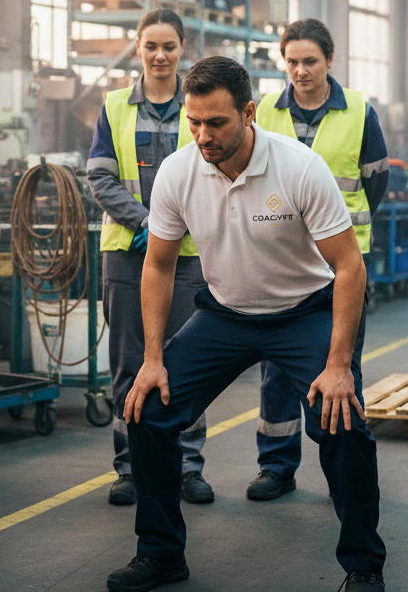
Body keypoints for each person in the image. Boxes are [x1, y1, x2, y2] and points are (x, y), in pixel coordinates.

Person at [106, 56, 386, 592]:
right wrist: (153, 360)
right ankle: (162, 554)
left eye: (217, 123)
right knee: (147, 412)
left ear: (250, 113)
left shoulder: (299, 168)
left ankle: (363, 564)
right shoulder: (178, 171)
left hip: (303, 313)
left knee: (343, 421)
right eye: (194, 122)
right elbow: (159, 264)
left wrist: (338, 365)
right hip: (225, 314)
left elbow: (350, 267)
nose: (203, 136)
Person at [251, 18, 388, 500]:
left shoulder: (359, 113)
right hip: (282, 259)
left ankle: (345, 469)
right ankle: (276, 465)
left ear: (330, 60)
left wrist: (341, 234)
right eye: (292, 62)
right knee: (276, 368)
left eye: (310, 61)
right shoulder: (264, 109)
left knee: (342, 364)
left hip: (339, 265)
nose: (300, 70)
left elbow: (375, 183)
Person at [87, 8, 213, 507]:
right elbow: (99, 175)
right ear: (137, 47)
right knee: (129, 364)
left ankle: (186, 466)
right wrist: (144, 222)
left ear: (183, 49)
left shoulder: (197, 105)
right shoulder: (114, 106)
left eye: (169, 46)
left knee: (188, 361)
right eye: (151, 46)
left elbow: (212, 173)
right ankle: (131, 467)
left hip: (186, 257)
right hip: (127, 255)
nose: (160, 56)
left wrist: (171, 226)